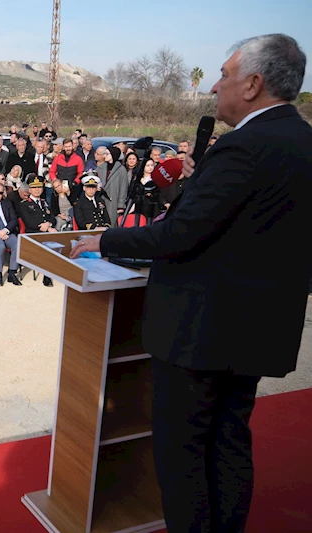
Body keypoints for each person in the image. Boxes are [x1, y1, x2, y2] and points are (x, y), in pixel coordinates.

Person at [70, 34, 312, 533]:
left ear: (252, 84)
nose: (213, 88)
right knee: (229, 440)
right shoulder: (302, 142)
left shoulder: (244, 147)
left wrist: (106, 241)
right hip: (259, 329)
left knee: (184, 454)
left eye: (223, 75)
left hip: (202, 334)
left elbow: (182, 234)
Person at [18, 176, 57, 286]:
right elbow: (29, 222)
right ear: (29, 189)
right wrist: (47, 227)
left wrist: (49, 224)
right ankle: (47, 275)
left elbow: (52, 217)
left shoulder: (44, 203)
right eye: (34, 187)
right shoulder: (24, 204)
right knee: (49, 243)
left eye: (39, 187)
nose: (37, 189)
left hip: (46, 231)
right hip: (33, 234)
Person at [96, 146, 127, 227]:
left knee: (111, 223)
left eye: (107, 154)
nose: (104, 156)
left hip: (113, 201)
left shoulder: (121, 170)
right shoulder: (100, 168)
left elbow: (123, 188)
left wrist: (121, 205)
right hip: (101, 199)